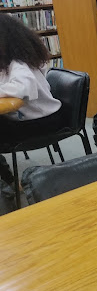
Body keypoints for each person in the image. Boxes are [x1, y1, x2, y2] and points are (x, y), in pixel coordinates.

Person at [0, 14, 63, 186]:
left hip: (40, 123)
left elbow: (23, 87)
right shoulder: (20, 59)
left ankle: (9, 182)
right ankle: (7, 179)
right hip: (39, 117)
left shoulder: (18, 64)